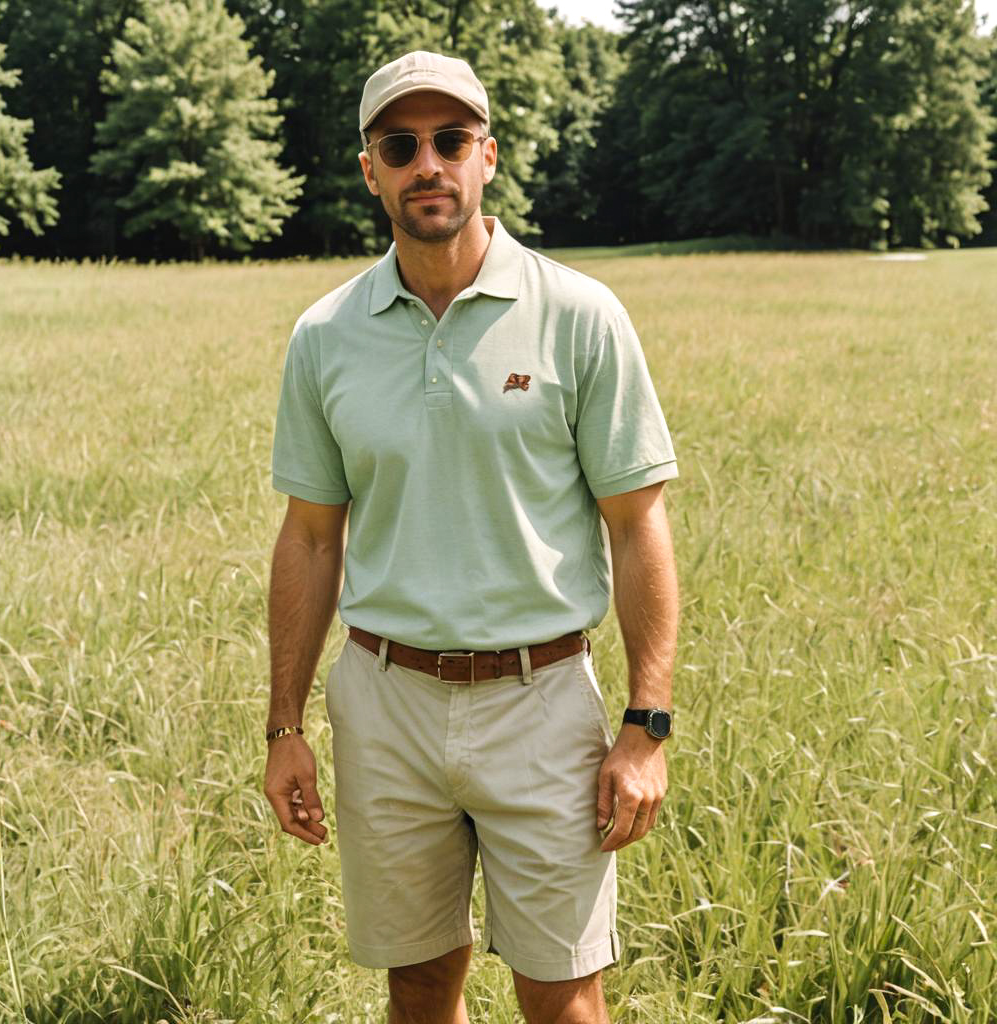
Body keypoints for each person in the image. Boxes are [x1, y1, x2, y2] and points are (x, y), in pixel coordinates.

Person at [263, 49, 679, 1024]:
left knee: (563, 994)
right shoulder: (325, 336)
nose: (427, 164)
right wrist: (283, 725)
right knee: (417, 984)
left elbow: (637, 524)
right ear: (369, 169)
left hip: (542, 703)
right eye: (399, 144)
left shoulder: (578, 314)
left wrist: (645, 724)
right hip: (385, 702)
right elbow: (311, 538)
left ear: (487, 155)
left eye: (449, 140)